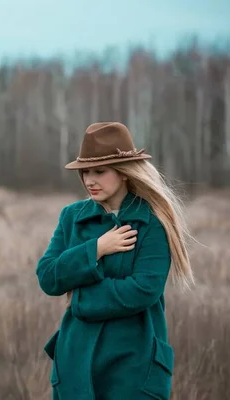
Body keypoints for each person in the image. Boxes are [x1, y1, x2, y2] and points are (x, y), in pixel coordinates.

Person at [35, 122, 195, 400]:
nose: (89, 180)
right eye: (85, 171)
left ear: (123, 173)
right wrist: (95, 249)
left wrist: (81, 299)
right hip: (76, 363)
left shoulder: (152, 222)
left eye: (99, 171)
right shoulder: (72, 217)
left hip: (133, 364)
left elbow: (144, 289)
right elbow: (48, 277)